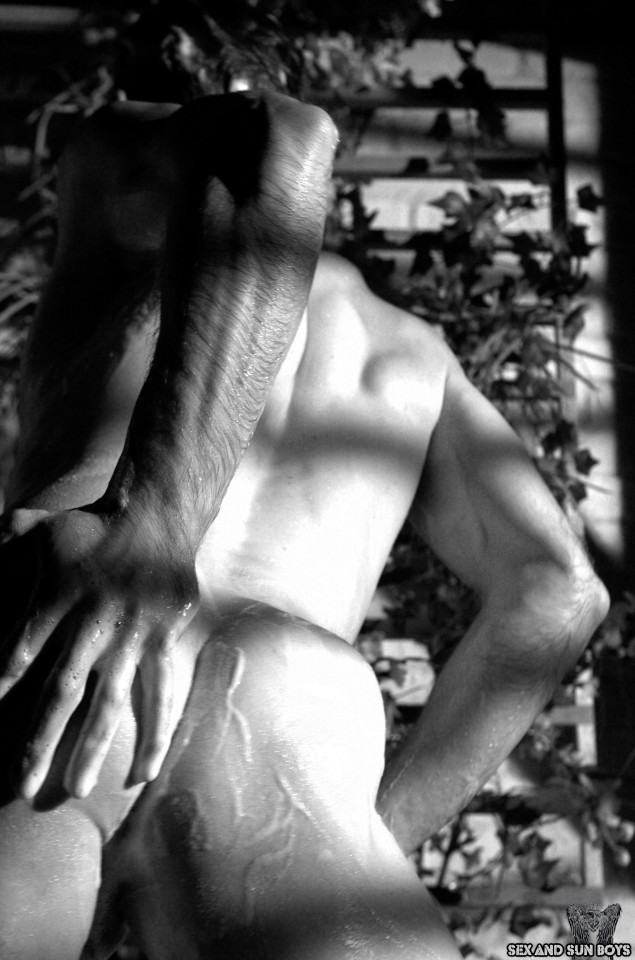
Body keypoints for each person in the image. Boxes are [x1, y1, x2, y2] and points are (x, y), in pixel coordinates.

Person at [0, 90, 608, 960]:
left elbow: (274, 135)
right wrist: (360, 838)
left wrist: (158, 525)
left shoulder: (134, 203)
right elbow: (559, 592)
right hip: (285, 709)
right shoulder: (416, 358)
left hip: (77, 632)